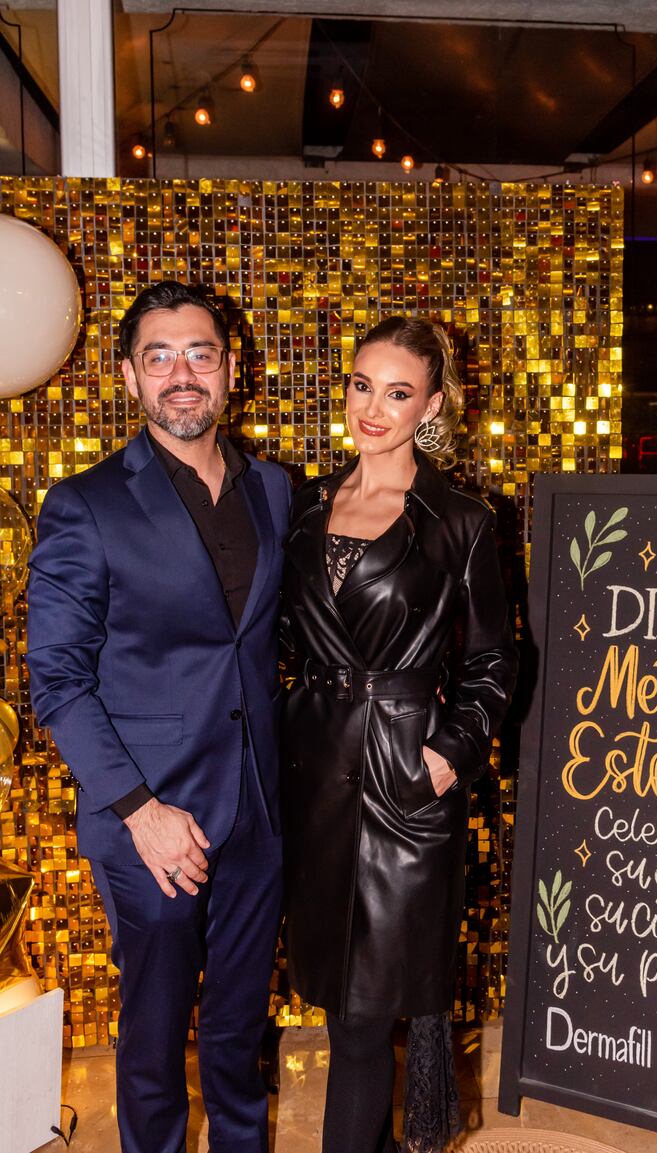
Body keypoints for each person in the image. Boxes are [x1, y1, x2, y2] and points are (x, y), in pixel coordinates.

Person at [26, 280, 291, 1153]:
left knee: (239, 1033)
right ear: (131, 377)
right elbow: (57, 679)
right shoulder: (85, 503)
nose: (183, 373)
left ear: (230, 369)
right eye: (160, 356)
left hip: (257, 811)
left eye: (200, 354)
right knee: (153, 1041)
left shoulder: (274, 490)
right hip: (150, 819)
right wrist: (141, 811)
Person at [281, 316, 518, 1153]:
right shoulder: (305, 504)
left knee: (364, 1016)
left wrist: (449, 756)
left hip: (406, 787)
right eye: (361, 385)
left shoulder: (461, 519)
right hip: (315, 779)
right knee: (338, 1004)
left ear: (432, 406)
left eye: (397, 392)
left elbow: (494, 658)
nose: (372, 409)